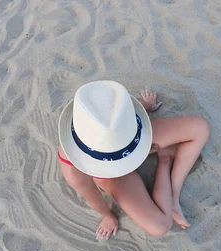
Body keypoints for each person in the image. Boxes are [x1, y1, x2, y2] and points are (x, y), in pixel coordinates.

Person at [57, 80, 209, 240]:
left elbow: (117, 112)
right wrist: (109, 216)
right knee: (160, 226)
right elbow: (94, 198)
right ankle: (165, 159)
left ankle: (173, 194)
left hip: (131, 138)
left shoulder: (103, 110)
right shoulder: (74, 169)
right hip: (111, 175)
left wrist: (144, 104)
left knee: (200, 128)